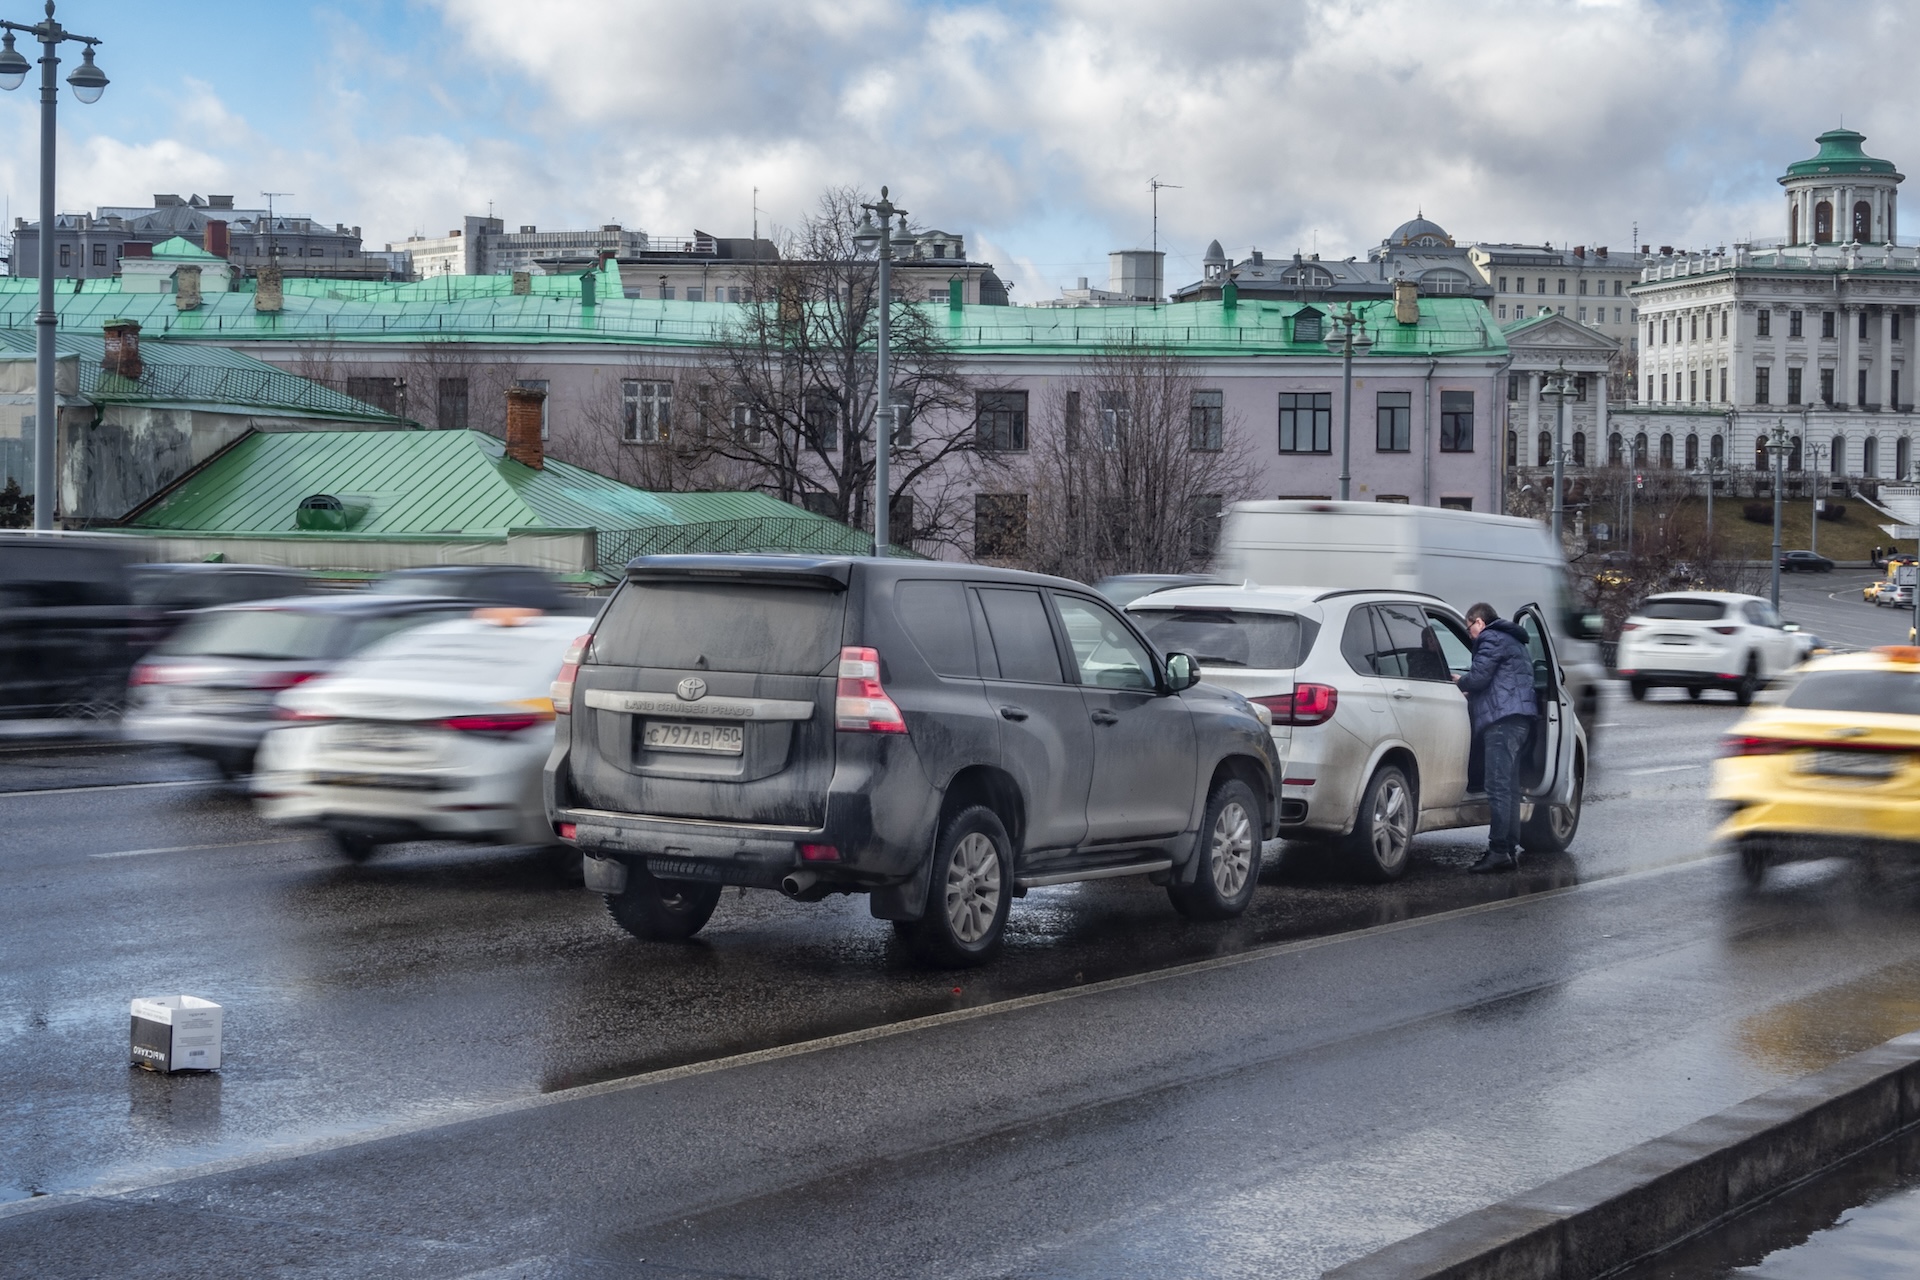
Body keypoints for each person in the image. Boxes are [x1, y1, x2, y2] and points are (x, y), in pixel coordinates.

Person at [1455, 602, 1538, 873]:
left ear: (1479, 621)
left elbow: (1479, 677)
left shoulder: (1490, 637)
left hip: (1502, 723)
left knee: (1498, 787)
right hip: (1518, 721)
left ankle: (1499, 850)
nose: (1470, 635)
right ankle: (1508, 849)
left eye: (1469, 628)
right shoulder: (1513, 640)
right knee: (1509, 788)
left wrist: (1460, 682)